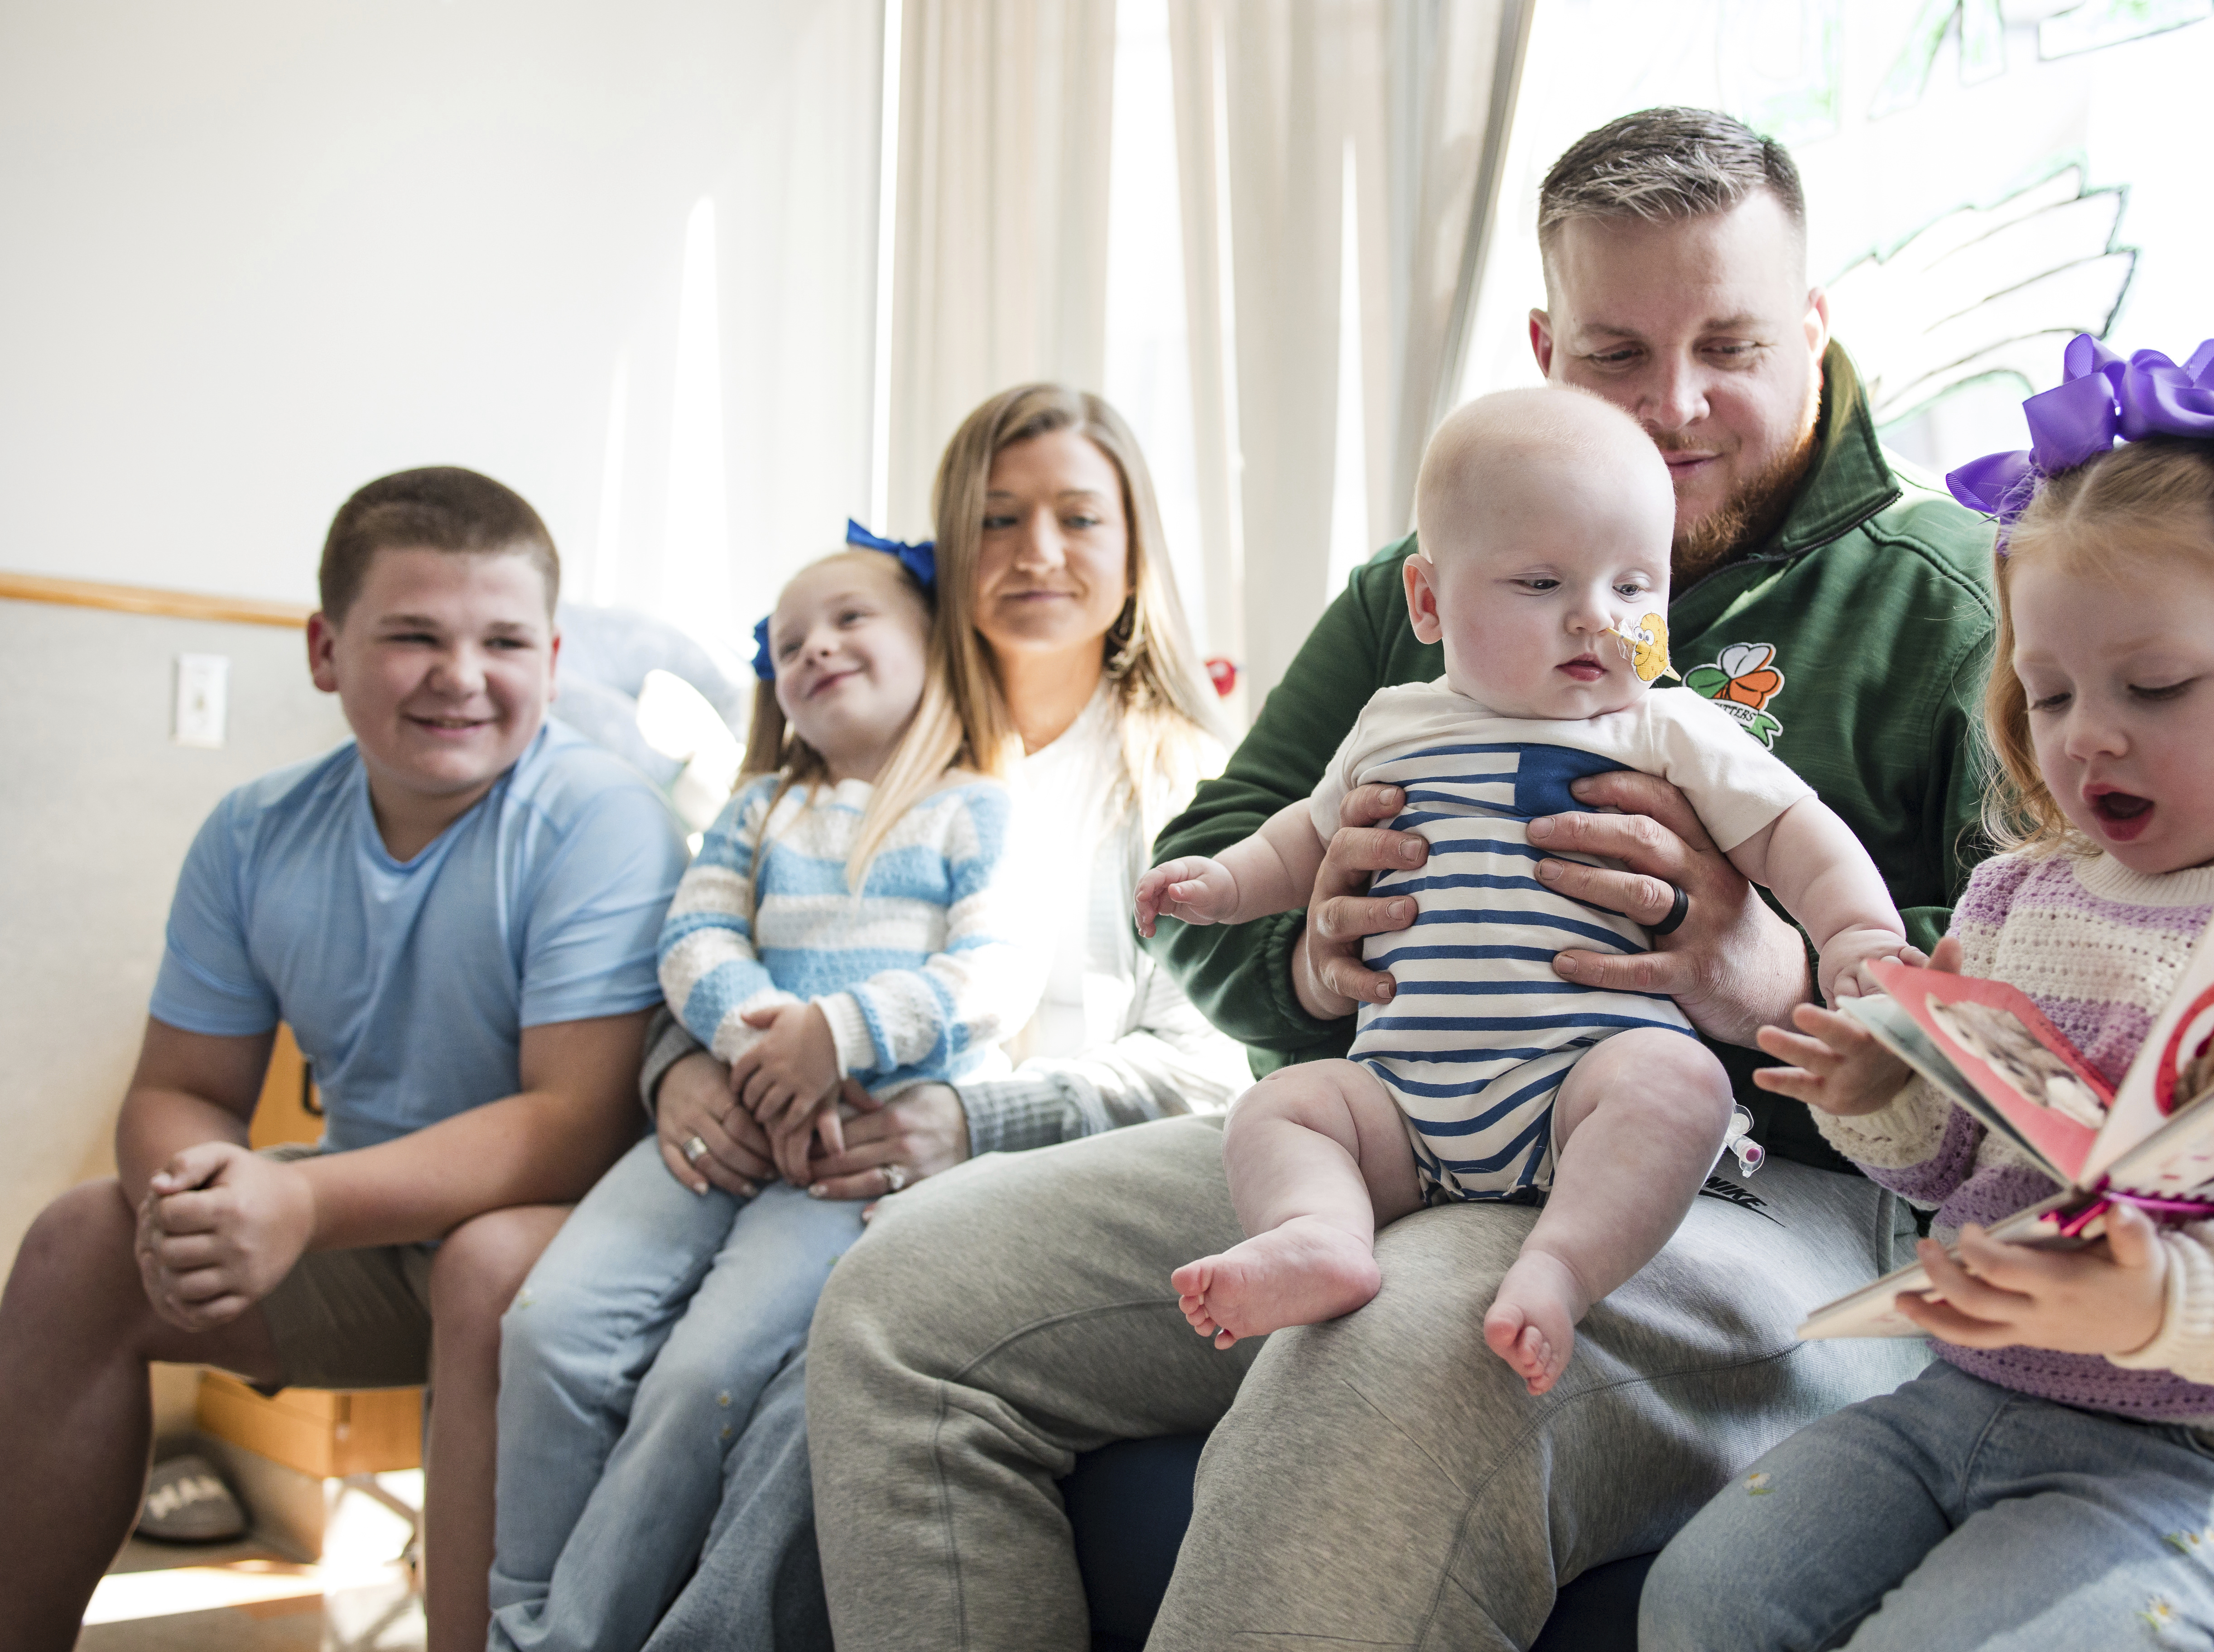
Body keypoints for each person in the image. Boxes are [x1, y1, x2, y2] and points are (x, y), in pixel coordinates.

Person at [803, 107, 1996, 1650]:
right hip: (1421, 1110)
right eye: (1618, 353)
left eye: (1732, 344)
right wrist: (1315, 953)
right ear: (1541, 345)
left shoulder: (1943, 597)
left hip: (1778, 1198)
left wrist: (1762, 975)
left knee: (1395, 1362)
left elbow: (2041, 1001)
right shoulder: (1425, 588)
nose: (1677, 404)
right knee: (910, 1297)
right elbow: (1204, 868)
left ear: (1819, 333)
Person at [1643, 336, 2214, 1649]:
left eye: (2155, 688)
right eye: (2046, 694)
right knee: (1705, 1597)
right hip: (1967, 1398)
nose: (2086, 734)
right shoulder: (2024, 898)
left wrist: (2163, 1299)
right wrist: (1888, 1100)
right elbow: (1962, 1177)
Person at [0, 468, 686, 1652]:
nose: (461, 676)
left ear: (556, 660)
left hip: (564, 1238)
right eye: (413, 634)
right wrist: (201, 1200)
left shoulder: (602, 817)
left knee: (484, 1263)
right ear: (325, 650)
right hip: (374, 1237)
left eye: (504, 641)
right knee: (77, 1247)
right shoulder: (256, 833)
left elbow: (572, 1123)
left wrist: (302, 1198)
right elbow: (180, 1089)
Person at [621, 383, 1251, 1650]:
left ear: (1136, 552)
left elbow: (1205, 1068)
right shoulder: (869, 742)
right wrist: (675, 1071)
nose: (1038, 555)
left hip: (1055, 1176)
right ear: (943, 556)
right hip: (820, 1163)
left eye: (1080, 518)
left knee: (850, 1335)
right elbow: (726, 938)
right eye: (997, 521)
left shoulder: (1185, 775)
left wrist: (970, 1119)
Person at [1140, 387, 1912, 1395]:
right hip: (1403, 1102)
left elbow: (1796, 834)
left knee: (1679, 1087)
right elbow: (1301, 840)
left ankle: (1559, 1266)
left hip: (1582, 1090)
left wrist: (1856, 932)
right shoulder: (1394, 724)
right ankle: (1321, 1237)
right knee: (1282, 1110)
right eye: (1543, 582)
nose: (1599, 618)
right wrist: (1223, 885)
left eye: (1636, 586)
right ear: (1427, 602)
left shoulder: (1665, 727)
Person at [488, 535, 1040, 1652]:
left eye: (847, 620)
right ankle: (516, 1618)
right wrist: (763, 1047)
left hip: (846, 1160)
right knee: (549, 1331)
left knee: (703, 1380)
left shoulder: (980, 811)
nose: (815, 648)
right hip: (736, 1114)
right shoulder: (758, 812)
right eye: (788, 644)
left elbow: (993, 975)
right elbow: (693, 937)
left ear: (933, 643)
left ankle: (574, 1636)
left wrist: (836, 1037)